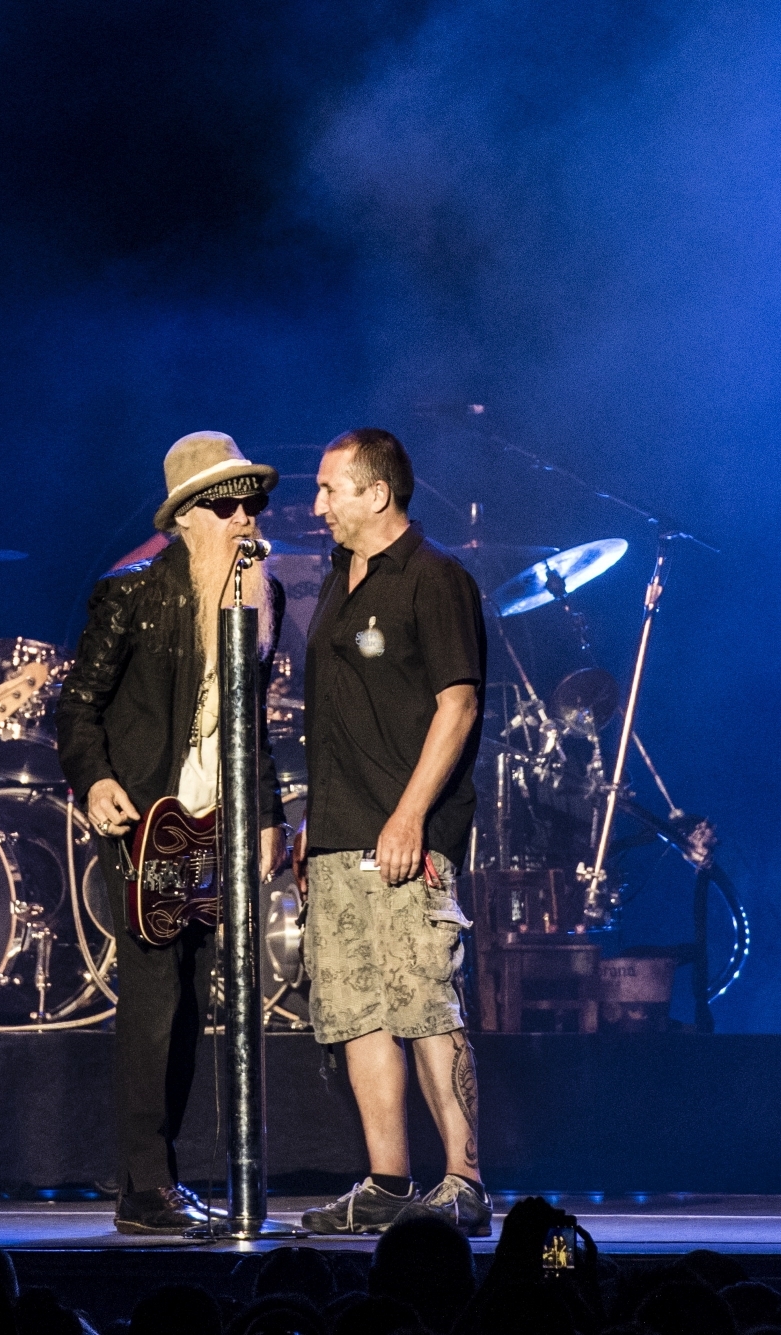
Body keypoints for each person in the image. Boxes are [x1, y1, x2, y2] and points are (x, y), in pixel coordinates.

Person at [56, 430, 289, 1234]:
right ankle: (143, 1186)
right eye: (229, 505)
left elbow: (252, 725)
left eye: (255, 502)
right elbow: (77, 707)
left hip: (219, 825)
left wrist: (267, 816)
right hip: (148, 819)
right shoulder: (129, 593)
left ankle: (160, 1180)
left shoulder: (266, 596)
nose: (247, 519)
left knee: (193, 998)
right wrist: (97, 781)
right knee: (155, 996)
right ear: (188, 516)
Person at [293, 428, 491, 1236]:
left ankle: (466, 1180)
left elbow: (459, 702)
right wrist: (314, 821)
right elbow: (338, 719)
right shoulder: (340, 580)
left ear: (377, 492)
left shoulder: (436, 579)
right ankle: (385, 1181)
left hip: (409, 834)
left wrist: (408, 814)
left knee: (424, 1006)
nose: (317, 505)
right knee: (358, 1010)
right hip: (341, 833)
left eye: (330, 488)